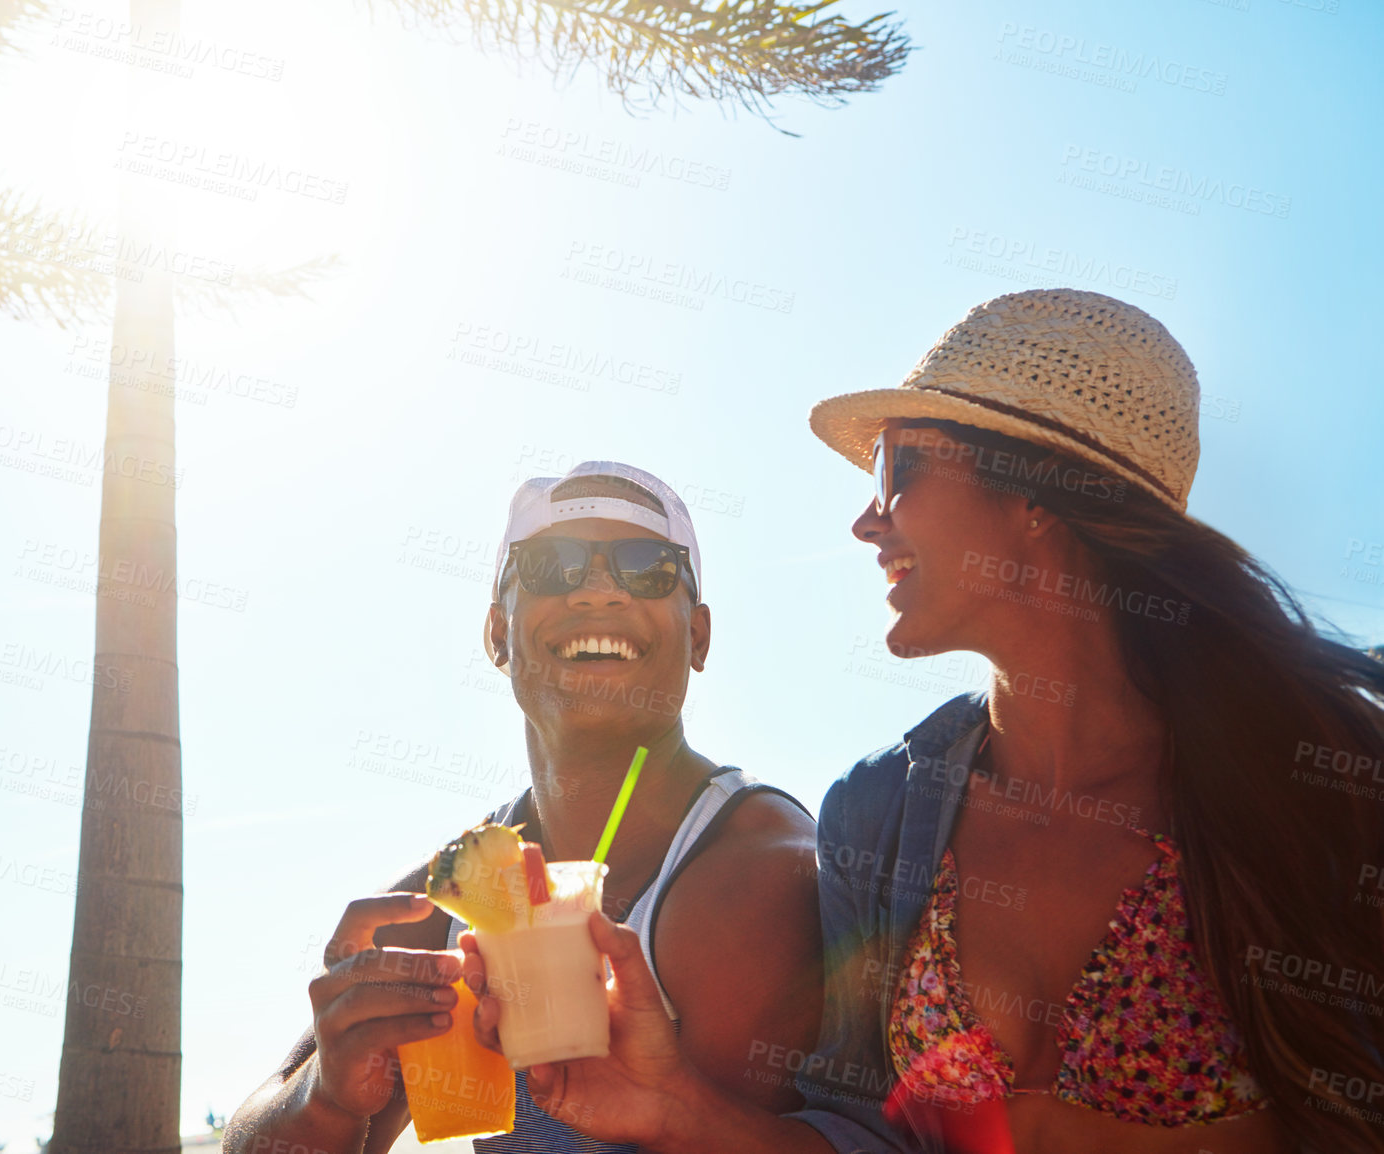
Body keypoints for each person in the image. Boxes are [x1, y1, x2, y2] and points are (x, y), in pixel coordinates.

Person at [460, 291, 1384, 1154]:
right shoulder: (880, 812)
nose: (867, 521)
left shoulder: (1323, 780)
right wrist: (675, 1107)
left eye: (896, 468)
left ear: (1034, 497)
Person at [225, 462, 823, 1154]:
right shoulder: (446, 903)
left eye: (647, 568)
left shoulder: (758, 874)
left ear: (698, 637)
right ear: (497, 634)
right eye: (551, 566)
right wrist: (326, 1099)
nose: (599, 590)